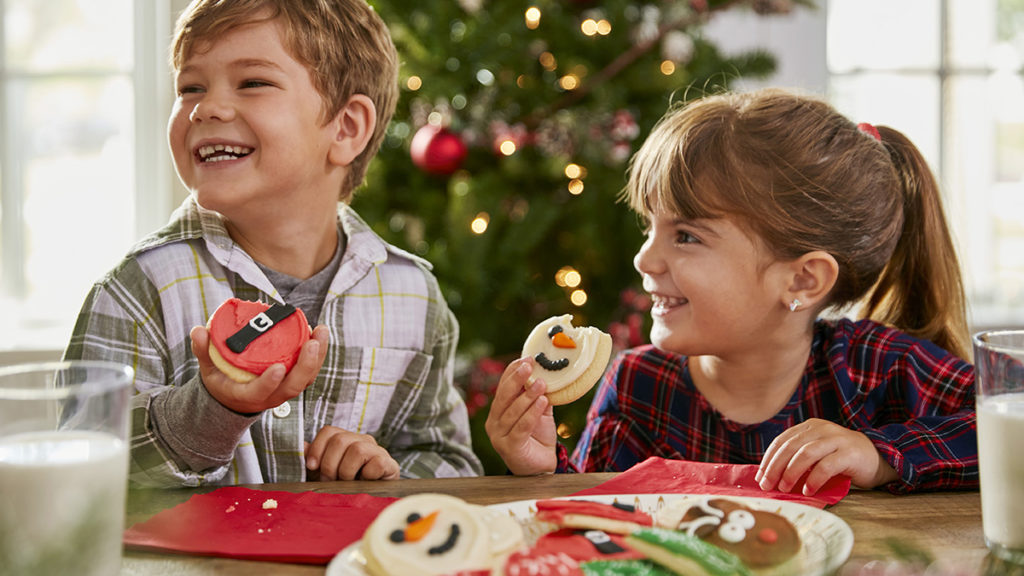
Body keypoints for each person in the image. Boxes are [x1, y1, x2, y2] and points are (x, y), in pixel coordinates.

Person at [64, 0, 482, 488]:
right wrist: (212, 409)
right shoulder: (137, 290)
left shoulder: (413, 296)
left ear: (346, 128)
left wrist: (383, 471)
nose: (206, 107)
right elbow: (82, 478)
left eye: (252, 82)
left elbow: (447, 461)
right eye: (190, 87)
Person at [486, 88, 977, 495]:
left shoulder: (878, 369)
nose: (644, 259)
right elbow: (599, 518)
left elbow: (1010, 420)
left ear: (802, 280)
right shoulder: (638, 387)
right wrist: (541, 468)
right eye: (648, 228)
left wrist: (881, 455)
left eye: (686, 236)